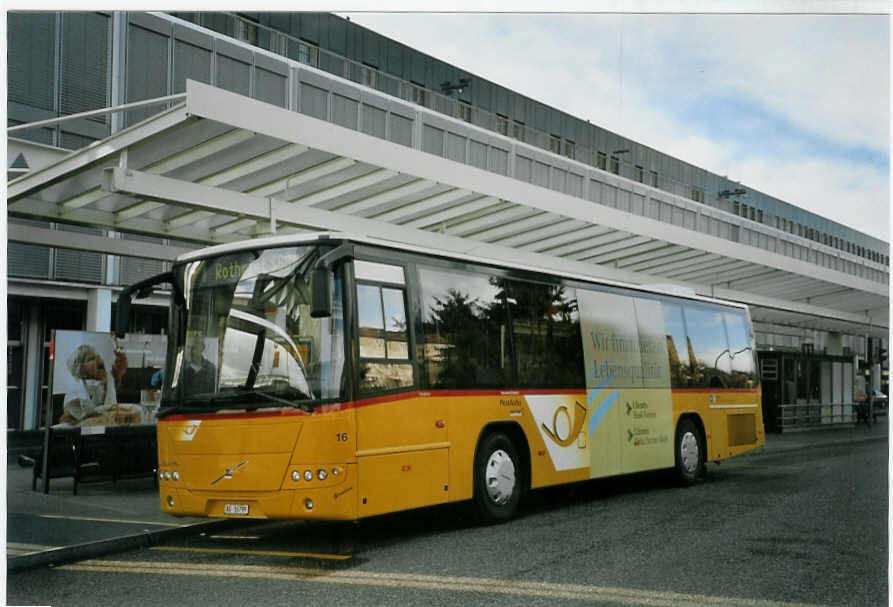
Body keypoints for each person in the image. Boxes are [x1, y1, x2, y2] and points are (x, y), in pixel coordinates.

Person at [59, 344, 127, 426]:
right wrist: (99, 430)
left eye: (97, 355)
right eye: (91, 358)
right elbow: (67, 422)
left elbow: (121, 365)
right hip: (93, 432)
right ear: (82, 371)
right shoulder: (76, 391)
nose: (97, 357)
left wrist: (120, 355)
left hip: (112, 429)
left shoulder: (109, 379)